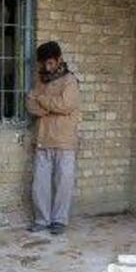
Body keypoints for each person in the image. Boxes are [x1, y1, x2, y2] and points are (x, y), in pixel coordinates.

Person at [25, 41, 81, 235]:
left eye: (50, 63)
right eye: (44, 64)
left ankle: (59, 221)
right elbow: (31, 106)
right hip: (42, 139)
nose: (47, 67)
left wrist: (42, 101)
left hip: (64, 141)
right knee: (39, 184)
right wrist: (50, 105)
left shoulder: (70, 81)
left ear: (59, 59)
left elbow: (66, 105)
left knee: (63, 184)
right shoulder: (41, 81)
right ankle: (42, 220)